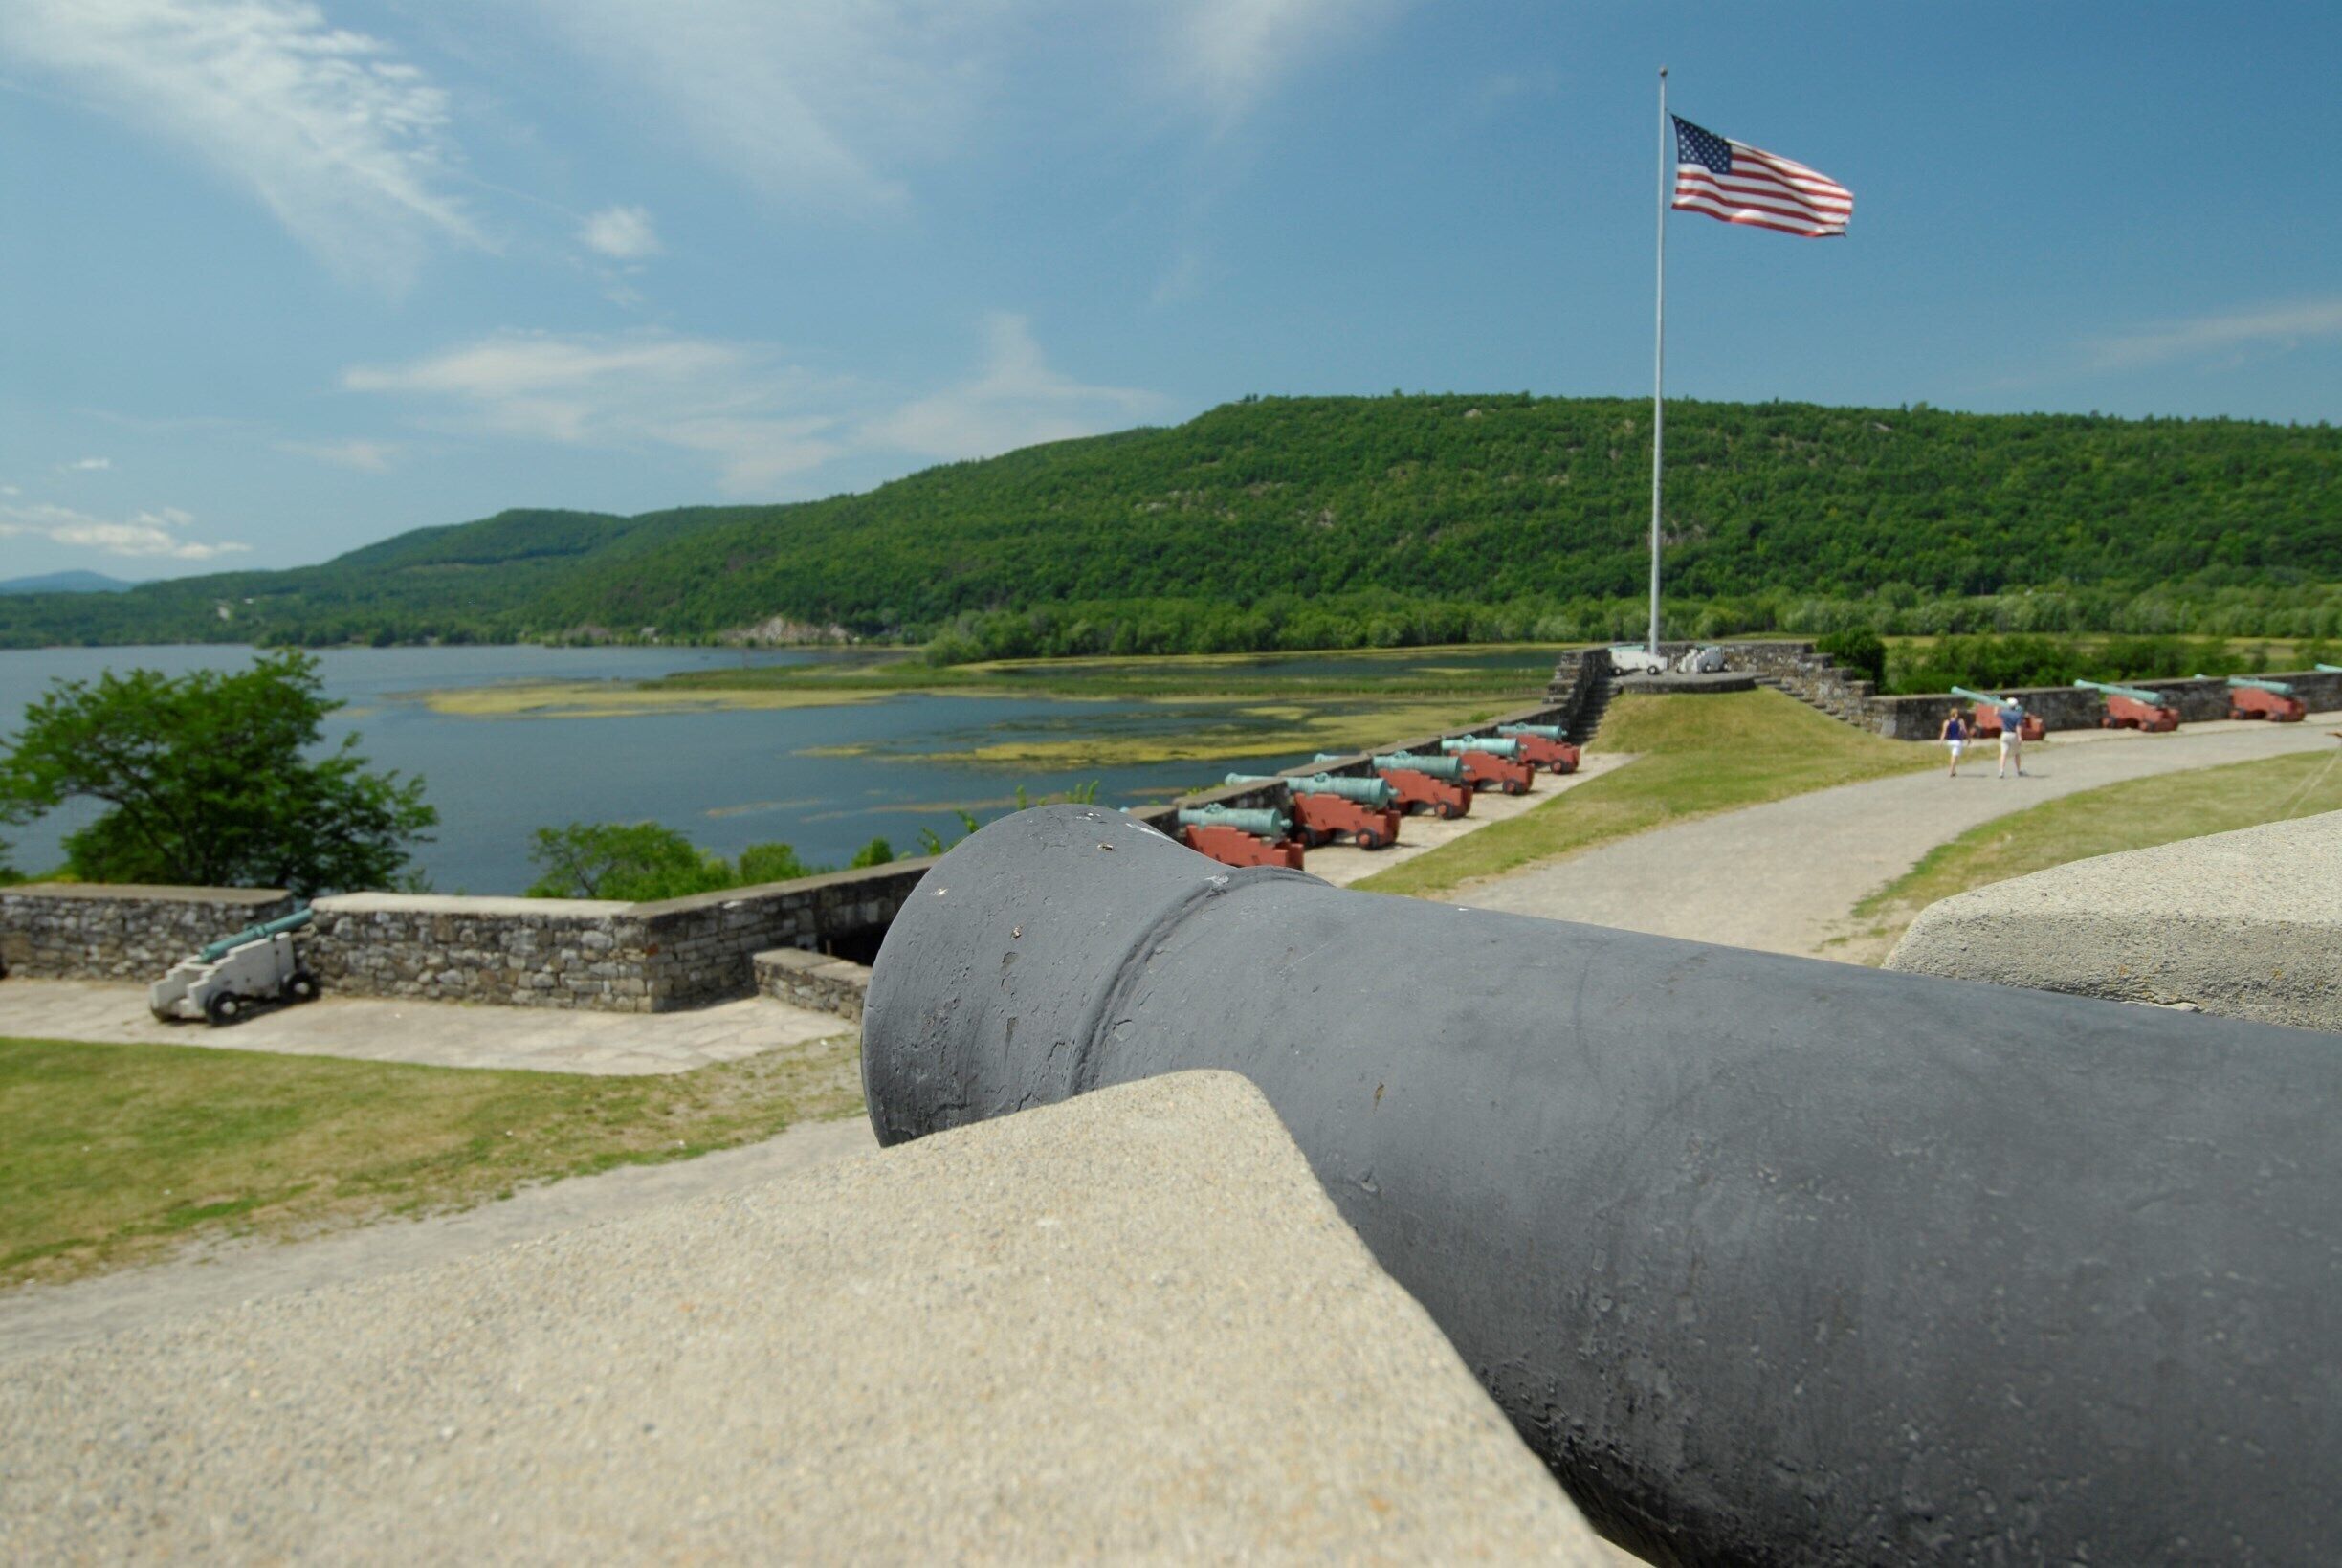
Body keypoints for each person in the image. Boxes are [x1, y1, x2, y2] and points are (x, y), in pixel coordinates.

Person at [1997, 698, 2027, 778]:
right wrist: (2019, 736)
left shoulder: (2004, 713)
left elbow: (1996, 713)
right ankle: (2018, 770)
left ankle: (2001, 771)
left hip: (2004, 733)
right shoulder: (2018, 714)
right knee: (2016, 753)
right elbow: (2018, 726)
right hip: (2013, 734)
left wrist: (1996, 704)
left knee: (2003, 753)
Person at [1939, 707, 1966, 776]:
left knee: (1954, 756)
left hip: (1950, 741)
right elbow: (1964, 731)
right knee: (1954, 756)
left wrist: (1941, 742)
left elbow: (1944, 732)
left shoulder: (1946, 722)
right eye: (1956, 713)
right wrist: (1968, 738)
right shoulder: (1960, 721)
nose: (1958, 714)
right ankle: (1951, 771)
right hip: (1957, 741)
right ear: (1954, 714)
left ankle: (1953, 770)